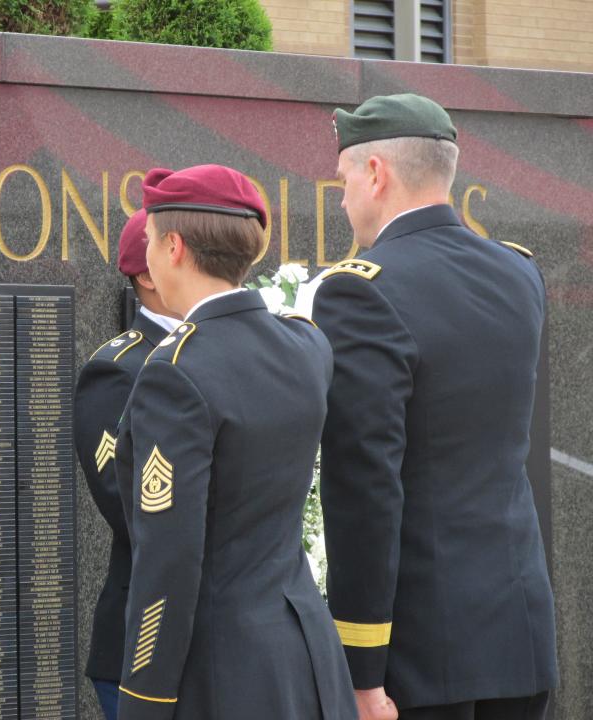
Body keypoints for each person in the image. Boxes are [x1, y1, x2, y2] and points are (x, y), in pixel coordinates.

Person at [313, 94, 558, 720]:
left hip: (421, 656)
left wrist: (361, 669)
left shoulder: (358, 290)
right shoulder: (518, 272)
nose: (342, 201)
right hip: (520, 632)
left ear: (375, 174)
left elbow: (365, 487)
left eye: (342, 182)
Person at [114, 164, 357, 720]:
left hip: (224, 673)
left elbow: (168, 558)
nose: (146, 256)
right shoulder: (306, 345)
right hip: (309, 655)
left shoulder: (174, 373)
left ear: (173, 246)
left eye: (149, 240)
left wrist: (144, 700)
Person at [73, 208, 182, 720]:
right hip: (143, 640)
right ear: (147, 272)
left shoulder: (215, 349)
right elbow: (132, 505)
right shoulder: (117, 370)